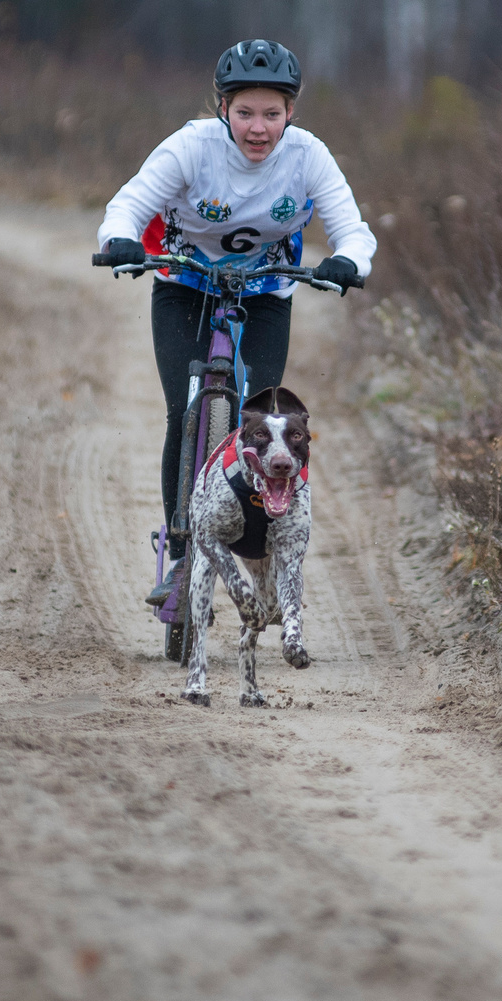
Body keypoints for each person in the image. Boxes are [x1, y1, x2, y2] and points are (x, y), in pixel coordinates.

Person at [96, 39, 377, 605]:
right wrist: (120, 239)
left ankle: (255, 536)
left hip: (266, 290)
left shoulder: (308, 156)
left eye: (272, 114)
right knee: (185, 411)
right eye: (245, 112)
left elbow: (353, 228)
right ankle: (182, 555)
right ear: (223, 108)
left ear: (290, 112)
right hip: (184, 284)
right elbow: (127, 205)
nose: (258, 128)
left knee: (262, 419)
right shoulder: (190, 148)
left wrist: (349, 260)